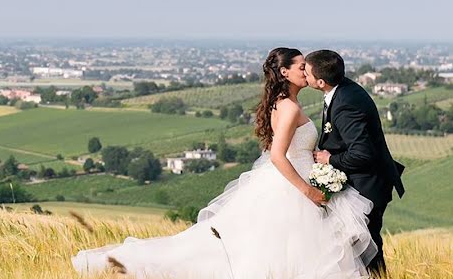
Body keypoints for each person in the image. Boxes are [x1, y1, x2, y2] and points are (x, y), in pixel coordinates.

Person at [72, 47, 376, 278]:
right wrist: (307, 191)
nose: (306, 71)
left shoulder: (288, 104)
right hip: (291, 186)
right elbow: (276, 155)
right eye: (300, 66)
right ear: (285, 72)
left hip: (297, 176)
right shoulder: (287, 107)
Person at [308, 49, 405, 276]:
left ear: (320, 81)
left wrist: (329, 158)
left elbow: (362, 154)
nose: (304, 73)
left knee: (367, 249)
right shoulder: (341, 88)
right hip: (366, 181)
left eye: (307, 71)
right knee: (362, 248)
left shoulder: (345, 104)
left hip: (368, 186)